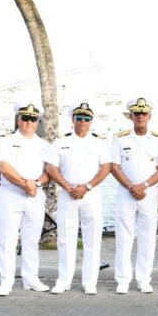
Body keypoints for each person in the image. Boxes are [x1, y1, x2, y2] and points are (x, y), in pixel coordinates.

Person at [45, 103, 111, 295]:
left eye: (87, 118)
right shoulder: (60, 142)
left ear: (91, 121)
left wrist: (87, 187)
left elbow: (105, 168)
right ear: (72, 119)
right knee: (65, 238)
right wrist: (67, 186)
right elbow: (51, 168)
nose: (83, 122)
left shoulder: (99, 143)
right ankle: (64, 280)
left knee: (93, 239)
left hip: (91, 194)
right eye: (79, 117)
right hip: (68, 193)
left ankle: (90, 282)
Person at [110, 98, 158, 294]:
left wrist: (143, 186)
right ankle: (123, 279)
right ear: (131, 116)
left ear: (149, 116)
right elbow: (114, 167)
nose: (140, 117)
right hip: (126, 193)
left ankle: (144, 278)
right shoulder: (120, 138)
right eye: (137, 114)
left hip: (149, 194)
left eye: (143, 114)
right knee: (123, 236)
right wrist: (131, 187)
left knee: (147, 236)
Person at [0, 103, 51, 296]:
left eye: (32, 119)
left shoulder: (44, 145)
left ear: (37, 122)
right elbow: (4, 167)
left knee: (31, 240)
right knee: (7, 239)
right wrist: (24, 184)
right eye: (24, 118)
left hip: (35, 195)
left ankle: (31, 279)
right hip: (11, 195)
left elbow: (49, 172)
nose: (28, 122)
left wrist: (36, 184)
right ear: (18, 119)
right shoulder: (7, 141)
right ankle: (6, 281)